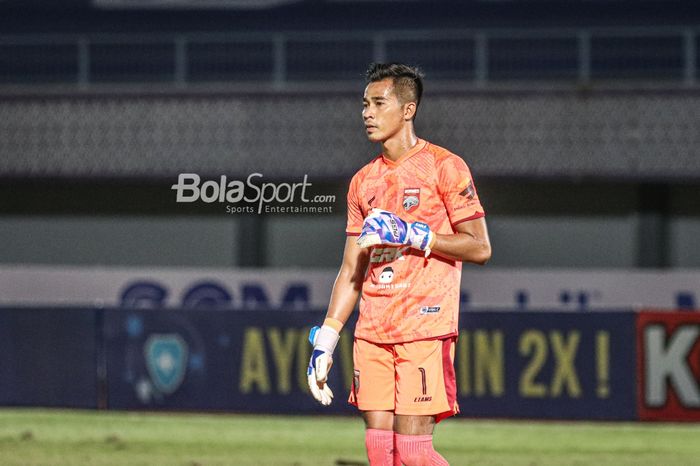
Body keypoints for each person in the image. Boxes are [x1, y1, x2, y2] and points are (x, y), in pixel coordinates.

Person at [307, 63, 491, 466]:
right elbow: (351, 270)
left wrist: (418, 234)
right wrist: (327, 339)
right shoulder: (363, 182)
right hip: (372, 332)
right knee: (381, 454)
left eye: (378, 103)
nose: (366, 113)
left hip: (424, 328)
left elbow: (479, 248)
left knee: (412, 453)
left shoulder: (445, 166)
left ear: (408, 109)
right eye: (364, 104)